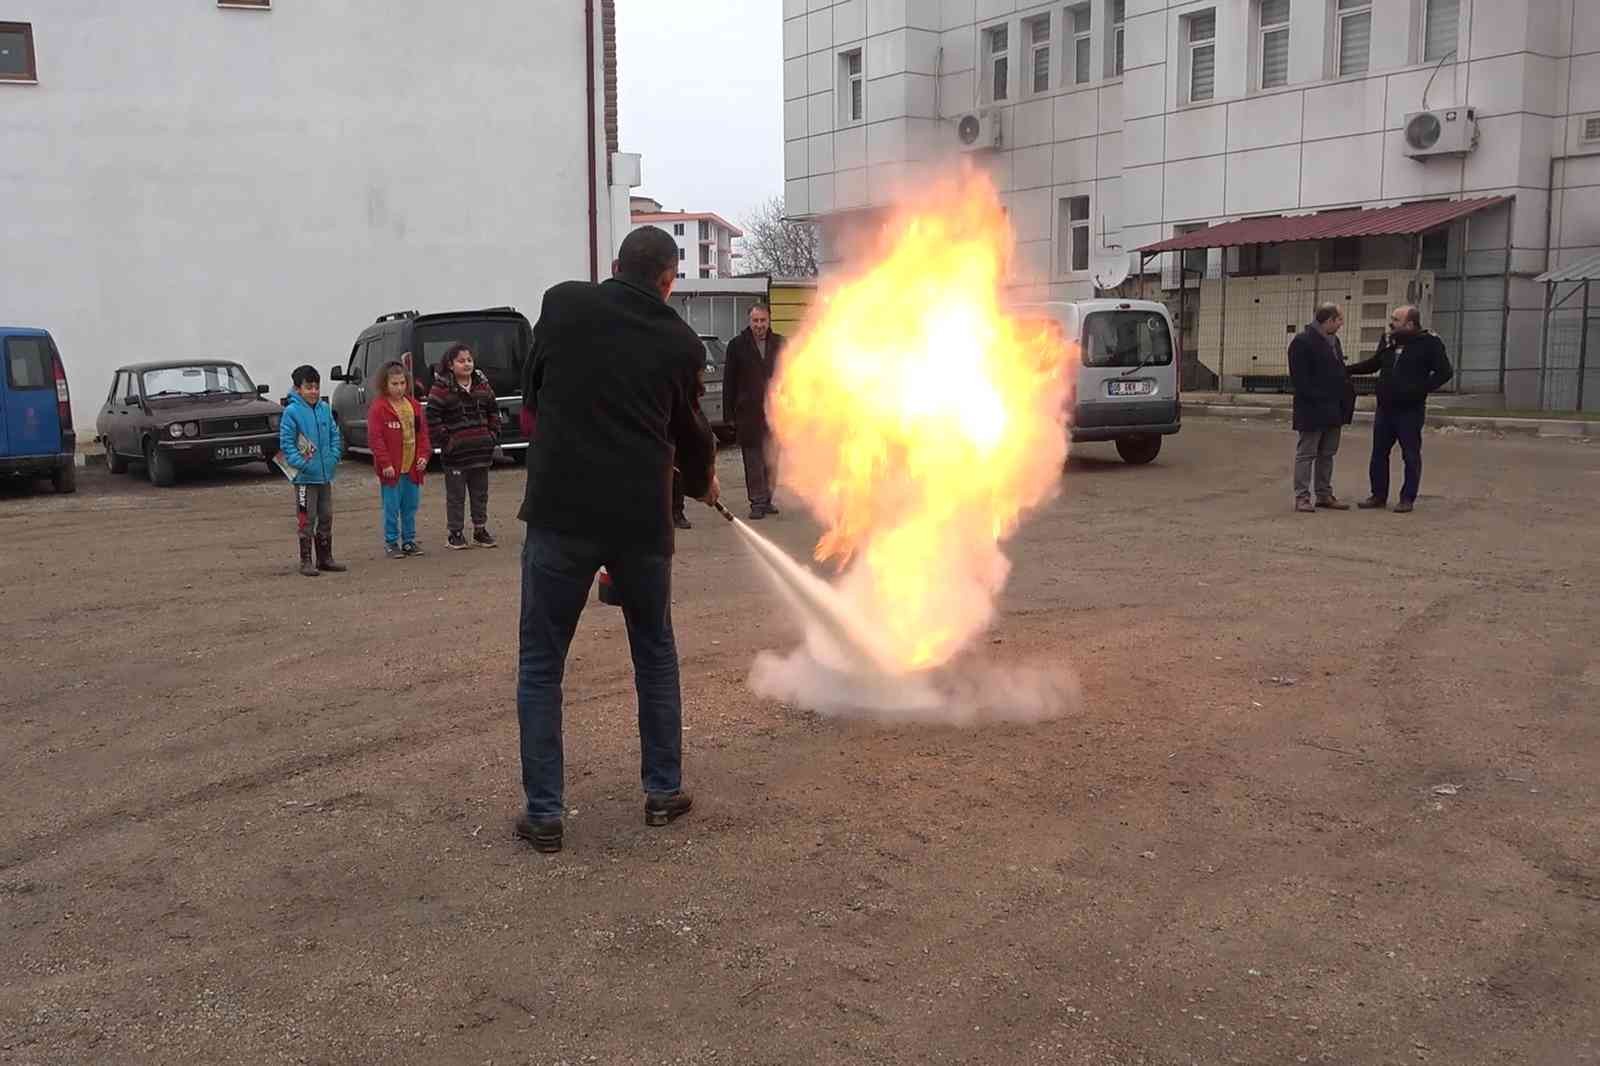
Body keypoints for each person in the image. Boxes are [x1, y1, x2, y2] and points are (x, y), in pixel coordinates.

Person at [513, 225, 718, 854]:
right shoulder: (681, 342)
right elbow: (692, 432)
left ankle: (545, 814)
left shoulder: (563, 303)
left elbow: (534, 396)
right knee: (653, 653)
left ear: (615, 265)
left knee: (542, 664)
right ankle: (663, 793)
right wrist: (702, 480)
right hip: (639, 521)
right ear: (667, 281)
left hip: (561, 512)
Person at [1346, 305, 1454, 514]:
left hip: (1410, 410)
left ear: (1410, 324)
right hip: (1385, 408)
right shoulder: (1388, 340)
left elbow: (1444, 372)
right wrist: (1347, 369)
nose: (1391, 323)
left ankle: (1407, 498)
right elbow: (1374, 364)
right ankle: (1378, 495)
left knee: (1410, 455)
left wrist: (1420, 390)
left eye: (1396, 320)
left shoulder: (1430, 343)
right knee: (1379, 453)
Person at [426, 343, 501, 549]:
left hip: (481, 454)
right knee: (456, 497)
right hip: (455, 457)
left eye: (469, 360)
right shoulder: (440, 389)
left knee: (480, 494)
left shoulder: (483, 386)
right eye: (461, 361)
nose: (466, 364)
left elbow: (494, 411)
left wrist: (492, 435)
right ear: (450, 365)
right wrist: (448, 442)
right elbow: (432, 418)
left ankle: (480, 529)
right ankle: (455, 533)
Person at [278, 364, 346, 576]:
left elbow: (335, 435)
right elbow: (287, 443)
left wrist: (334, 455)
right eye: (309, 387)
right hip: (305, 479)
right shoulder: (291, 412)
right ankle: (306, 560)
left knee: (326, 516)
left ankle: (325, 558)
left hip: (325, 475)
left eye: (316, 387)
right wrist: (302, 463)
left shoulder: (325, 409)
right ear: (298, 389)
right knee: (307, 518)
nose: (314, 391)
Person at [1287, 303, 1353, 513]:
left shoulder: (1334, 341)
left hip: (1334, 408)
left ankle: (1324, 494)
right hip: (1313, 408)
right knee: (1307, 453)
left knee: (1327, 453)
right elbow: (1300, 380)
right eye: (1339, 320)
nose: (1341, 324)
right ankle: (1302, 497)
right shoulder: (1302, 342)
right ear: (1330, 320)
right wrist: (1320, 398)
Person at [722, 303, 786, 520]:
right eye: (755, 321)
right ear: (749, 322)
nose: (759, 325)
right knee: (753, 459)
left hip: (776, 412)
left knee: (772, 458)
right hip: (748, 413)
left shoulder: (780, 343)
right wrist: (728, 415)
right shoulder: (736, 346)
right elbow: (729, 381)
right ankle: (757, 502)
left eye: (763, 321)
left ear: (769, 321)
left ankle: (768, 498)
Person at [366, 360, 431, 559]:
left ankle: (409, 540)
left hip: (412, 467)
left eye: (402, 383)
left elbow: (423, 434)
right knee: (391, 507)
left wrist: (423, 456)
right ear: (384, 384)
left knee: (410, 506)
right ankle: (391, 542)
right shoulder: (378, 408)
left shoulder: (414, 406)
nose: (399, 387)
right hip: (392, 470)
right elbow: (375, 439)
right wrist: (385, 463)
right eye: (394, 384)